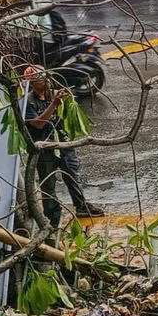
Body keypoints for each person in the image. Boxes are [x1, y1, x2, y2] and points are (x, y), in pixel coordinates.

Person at [22, 65, 105, 224]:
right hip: (44, 149)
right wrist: (54, 105)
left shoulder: (51, 94)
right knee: (49, 185)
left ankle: (81, 205)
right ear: (32, 83)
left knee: (73, 175)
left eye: (46, 77)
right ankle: (52, 217)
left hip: (63, 143)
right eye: (40, 79)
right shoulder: (29, 102)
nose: (45, 81)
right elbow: (38, 124)